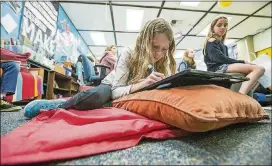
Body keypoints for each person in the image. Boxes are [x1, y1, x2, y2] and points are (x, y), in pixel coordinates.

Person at [24, 18, 176, 118]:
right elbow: (116, 91)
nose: (159, 54)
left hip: (130, 94)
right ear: (144, 42)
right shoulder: (129, 52)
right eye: (155, 46)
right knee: (98, 96)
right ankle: (52, 105)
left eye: (164, 49)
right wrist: (142, 84)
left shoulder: (161, 61)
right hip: (111, 87)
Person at [203, 16, 265, 95]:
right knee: (258, 69)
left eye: (225, 25)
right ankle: (241, 95)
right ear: (212, 28)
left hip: (223, 66)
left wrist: (242, 63)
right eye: (219, 25)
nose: (223, 27)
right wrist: (242, 62)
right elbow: (221, 59)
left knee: (260, 72)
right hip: (217, 69)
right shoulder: (211, 41)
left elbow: (225, 59)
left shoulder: (223, 45)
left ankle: (246, 95)